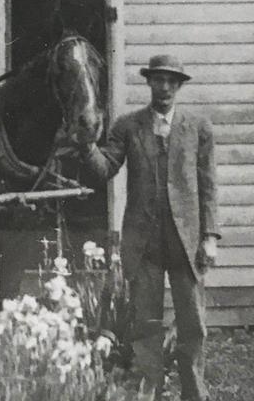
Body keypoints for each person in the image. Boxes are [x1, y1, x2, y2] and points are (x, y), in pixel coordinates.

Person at [82, 55, 219, 401]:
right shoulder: (128, 126)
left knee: (193, 323)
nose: (165, 87)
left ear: (179, 85)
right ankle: (150, 393)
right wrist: (86, 144)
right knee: (145, 324)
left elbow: (208, 186)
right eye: (159, 80)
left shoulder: (198, 128)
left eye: (172, 81)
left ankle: (194, 392)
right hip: (144, 242)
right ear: (149, 83)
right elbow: (105, 168)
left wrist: (210, 237)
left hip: (186, 241)